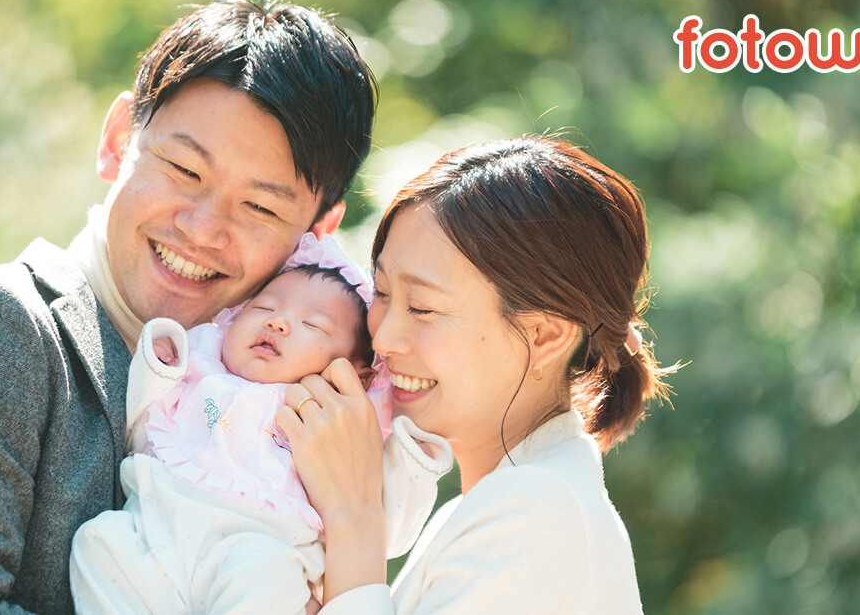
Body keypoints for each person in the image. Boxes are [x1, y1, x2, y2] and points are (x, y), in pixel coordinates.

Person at [0, 0, 377, 613]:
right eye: (182, 168)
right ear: (120, 138)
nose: (202, 229)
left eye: (259, 207)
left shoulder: (309, 423)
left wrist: (355, 519)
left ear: (316, 234)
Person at [277, 135, 678, 613]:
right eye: (381, 292)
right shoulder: (491, 506)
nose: (383, 339)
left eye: (422, 308)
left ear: (546, 335)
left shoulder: (536, 514)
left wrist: (353, 516)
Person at [69, 233, 451, 614]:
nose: (279, 323)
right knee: (97, 542)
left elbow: (386, 529)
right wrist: (158, 364)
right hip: (155, 531)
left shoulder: (335, 425)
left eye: (313, 325)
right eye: (264, 308)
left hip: (256, 549)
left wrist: (411, 461)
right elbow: (138, 425)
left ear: (355, 374)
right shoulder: (201, 362)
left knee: (266, 582)